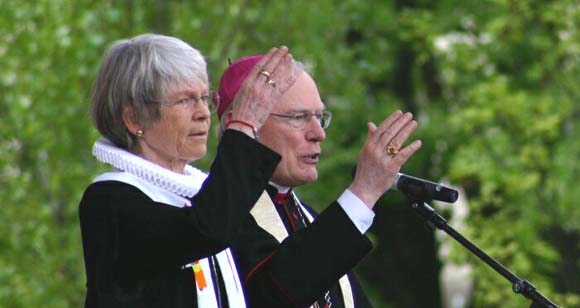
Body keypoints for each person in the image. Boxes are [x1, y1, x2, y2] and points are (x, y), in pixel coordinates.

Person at [78, 34, 297, 307]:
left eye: (205, 98)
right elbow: (205, 231)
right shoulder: (110, 200)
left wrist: (360, 196)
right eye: (184, 100)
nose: (204, 112)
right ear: (134, 118)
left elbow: (281, 285)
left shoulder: (202, 194)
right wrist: (242, 125)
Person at [214, 55, 422, 307]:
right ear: (244, 124)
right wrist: (363, 192)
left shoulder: (308, 218)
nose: (318, 134)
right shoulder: (221, 218)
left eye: (320, 117)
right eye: (298, 118)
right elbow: (276, 293)